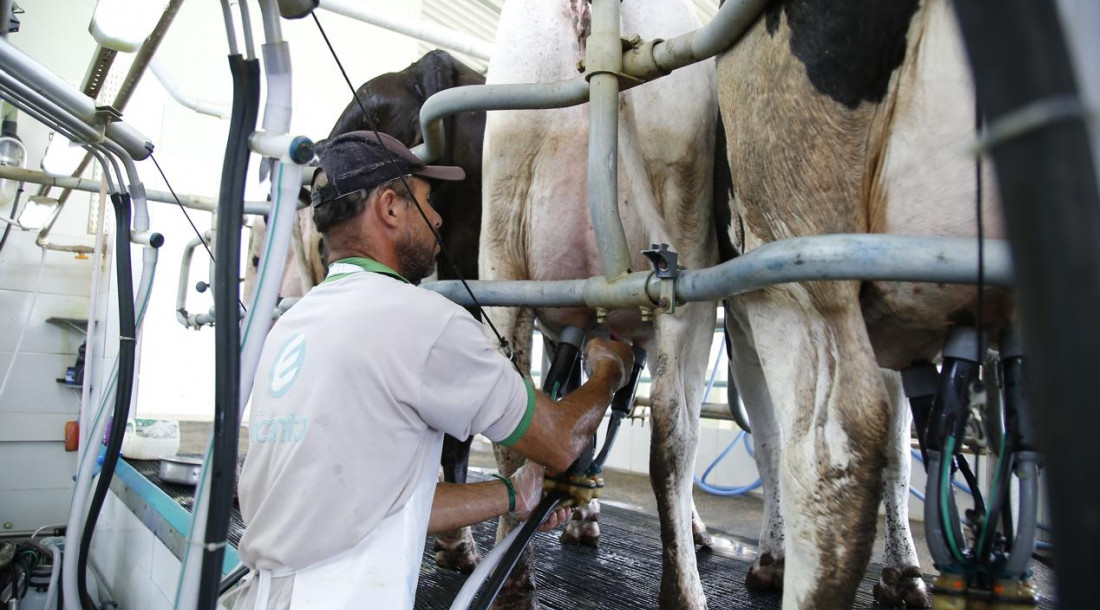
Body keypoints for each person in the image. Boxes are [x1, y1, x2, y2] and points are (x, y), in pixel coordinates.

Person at [231, 131, 635, 609]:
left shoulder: (291, 323)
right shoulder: (422, 321)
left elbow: (386, 505)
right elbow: (562, 440)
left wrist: (513, 495)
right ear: (389, 207)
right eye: (427, 201)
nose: (439, 217)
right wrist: (610, 371)